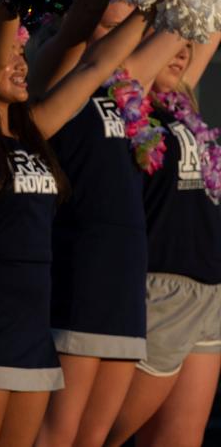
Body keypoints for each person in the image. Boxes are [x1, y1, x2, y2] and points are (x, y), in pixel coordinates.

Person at [0, 0, 148, 447]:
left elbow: (95, 67)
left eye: (23, 55)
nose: (21, 66)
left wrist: (154, 5)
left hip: (33, 328)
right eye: (13, 58)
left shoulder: (34, 130)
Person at [31, 0, 191, 447]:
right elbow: (85, 22)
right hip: (80, 268)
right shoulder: (54, 79)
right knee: (59, 431)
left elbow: (182, 28)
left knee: (95, 436)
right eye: (109, 28)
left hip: (125, 276)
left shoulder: (125, 89)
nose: (121, 40)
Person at [105, 35, 221, 447]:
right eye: (171, 42)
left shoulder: (180, 103)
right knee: (97, 434)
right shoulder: (121, 100)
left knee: (180, 440)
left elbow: (210, 27)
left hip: (208, 289)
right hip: (159, 285)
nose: (184, 51)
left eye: (186, 44)